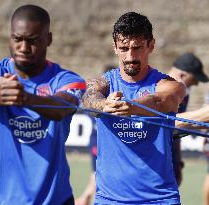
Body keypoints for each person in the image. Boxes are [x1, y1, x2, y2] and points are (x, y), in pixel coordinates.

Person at [0, 4, 86, 205]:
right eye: (17, 39)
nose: (23, 48)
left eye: (32, 41)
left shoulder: (67, 80)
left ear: (48, 39)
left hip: (55, 200)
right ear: (10, 37)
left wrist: (25, 97)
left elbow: (61, 108)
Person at [82, 12, 186, 205]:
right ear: (115, 47)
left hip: (159, 199)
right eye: (123, 48)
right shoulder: (104, 84)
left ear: (151, 45)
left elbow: (162, 100)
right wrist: (104, 105)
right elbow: (88, 96)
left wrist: (132, 106)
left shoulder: (169, 85)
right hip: (110, 200)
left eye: (137, 48)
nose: (130, 56)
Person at [168, 52, 209, 186]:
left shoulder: (183, 95)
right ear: (182, 75)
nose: (194, 86)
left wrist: (178, 162)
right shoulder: (156, 91)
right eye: (192, 82)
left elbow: (176, 134)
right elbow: (172, 124)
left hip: (171, 158)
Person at [75, 65, 114, 205]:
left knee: (98, 173)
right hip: (97, 141)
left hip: (101, 141)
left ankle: (86, 197)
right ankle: (87, 197)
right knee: (97, 172)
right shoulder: (96, 96)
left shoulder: (109, 99)